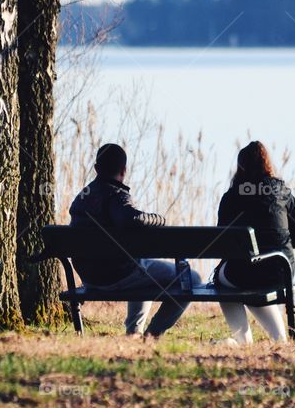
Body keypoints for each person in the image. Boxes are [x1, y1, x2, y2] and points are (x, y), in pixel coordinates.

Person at [69, 143, 201, 338]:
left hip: (90, 277)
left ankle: (134, 333)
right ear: (123, 171)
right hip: (117, 275)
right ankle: (152, 333)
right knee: (193, 279)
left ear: (96, 169)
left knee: (141, 266)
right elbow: (130, 218)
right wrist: (158, 219)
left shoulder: (81, 197)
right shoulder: (117, 195)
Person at [214, 141, 295, 344]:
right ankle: (280, 338)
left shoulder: (231, 197)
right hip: (281, 271)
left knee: (226, 282)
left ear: (241, 167)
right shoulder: (284, 194)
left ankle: (243, 340)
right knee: (254, 275)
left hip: (242, 274)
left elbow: (222, 243)